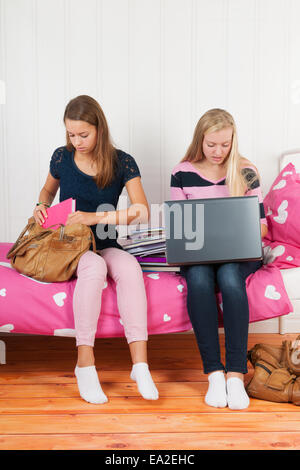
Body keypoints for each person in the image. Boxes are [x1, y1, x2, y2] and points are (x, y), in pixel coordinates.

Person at [33, 95, 159, 404]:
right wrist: (41, 206)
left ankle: (140, 365)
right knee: (94, 267)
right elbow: (47, 191)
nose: (77, 141)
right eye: (71, 134)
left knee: (129, 267)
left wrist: (96, 217)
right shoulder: (62, 157)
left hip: (105, 240)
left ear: (99, 129)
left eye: (83, 134)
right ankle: (85, 363)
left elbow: (141, 210)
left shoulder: (122, 161)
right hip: (70, 244)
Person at [170, 108, 268, 410]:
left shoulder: (246, 170)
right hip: (199, 253)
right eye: (211, 144)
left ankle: (236, 374)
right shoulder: (182, 172)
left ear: (233, 141)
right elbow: (178, 226)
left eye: (225, 145)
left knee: (228, 276)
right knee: (199, 278)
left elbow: (263, 225)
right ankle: (214, 372)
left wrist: (238, 234)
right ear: (200, 139)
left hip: (239, 252)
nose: (218, 151)